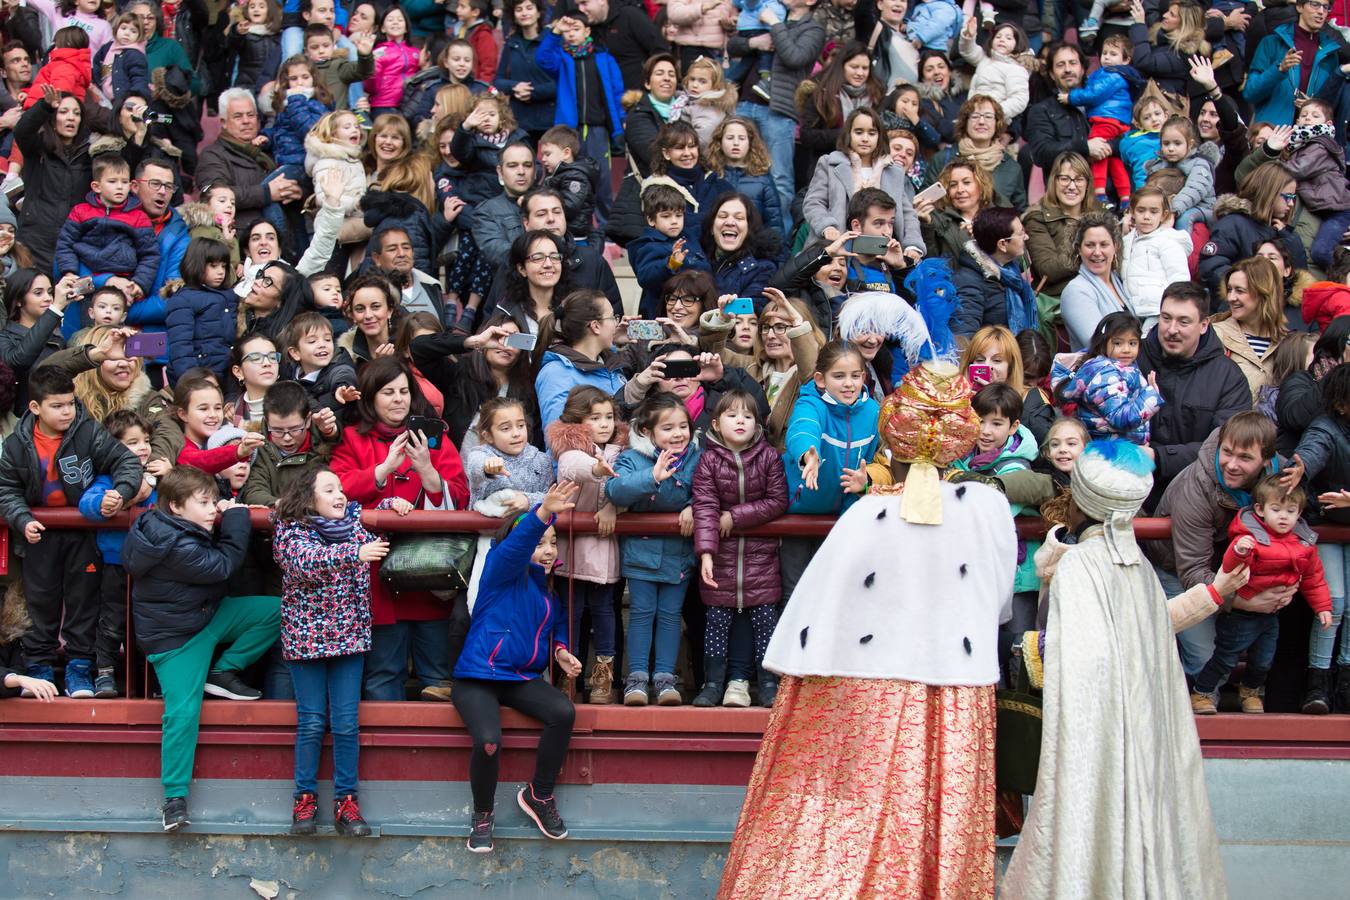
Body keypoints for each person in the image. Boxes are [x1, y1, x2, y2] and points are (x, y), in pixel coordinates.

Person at [720, 390, 1014, 896]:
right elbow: (1001, 600)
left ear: (893, 444)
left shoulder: (863, 514)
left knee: (843, 805)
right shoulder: (987, 507)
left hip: (857, 683)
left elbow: (823, 594)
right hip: (955, 685)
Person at [1001, 441, 1235, 899]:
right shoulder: (1135, 569)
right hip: (1140, 732)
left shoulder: (1084, 568)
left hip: (1097, 736)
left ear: (1083, 498)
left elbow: (1090, 665)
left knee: (1091, 816)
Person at [122, 465, 282, 831]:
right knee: (182, 712)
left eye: (214, 501)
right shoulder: (174, 542)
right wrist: (239, 518)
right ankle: (174, 799)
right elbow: (222, 565)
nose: (213, 508)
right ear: (177, 507)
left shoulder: (166, 523)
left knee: (275, 610)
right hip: (176, 639)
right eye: (205, 502)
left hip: (204, 616)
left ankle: (223, 672)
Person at [273, 468, 409, 836]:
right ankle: (305, 799)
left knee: (347, 723)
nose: (340, 495)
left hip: (349, 638)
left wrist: (390, 503)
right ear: (307, 497)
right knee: (313, 720)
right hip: (306, 640)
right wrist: (355, 553)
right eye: (329, 489)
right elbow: (306, 562)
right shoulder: (290, 531)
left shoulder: (354, 523)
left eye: (341, 489)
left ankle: (346, 802)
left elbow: (376, 516)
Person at [452, 481, 584, 851]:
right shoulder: (500, 569)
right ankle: (482, 815)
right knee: (490, 742)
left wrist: (560, 651)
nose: (547, 549)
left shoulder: (546, 591)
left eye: (553, 542)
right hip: (477, 677)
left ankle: (539, 796)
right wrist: (542, 515)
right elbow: (516, 547)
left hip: (518, 678)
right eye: (541, 542)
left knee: (563, 711)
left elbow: (555, 626)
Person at [329, 357, 469, 701]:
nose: (398, 399)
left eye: (404, 391)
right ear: (371, 398)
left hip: (429, 571)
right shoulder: (352, 439)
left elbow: (462, 496)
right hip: (376, 576)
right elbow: (335, 489)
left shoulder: (434, 440)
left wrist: (426, 469)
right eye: (388, 392)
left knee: (438, 679)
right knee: (382, 674)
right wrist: (382, 470)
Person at [0, 364, 140, 697]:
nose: (67, 411)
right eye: (57, 405)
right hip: (39, 535)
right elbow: (5, 489)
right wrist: (22, 519)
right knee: (39, 603)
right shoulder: (17, 443)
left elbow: (127, 462)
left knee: (83, 602)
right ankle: (39, 669)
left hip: (82, 534)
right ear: (35, 407)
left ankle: (80, 669)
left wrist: (120, 492)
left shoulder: (87, 431)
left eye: (70, 403)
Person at [1190, 474, 1331, 715]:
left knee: (1264, 660)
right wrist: (1239, 550)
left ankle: (1250, 691)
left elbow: (1313, 578)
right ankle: (1202, 692)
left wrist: (1323, 607)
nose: (1283, 516)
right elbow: (1230, 566)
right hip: (1240, 614)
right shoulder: (1250, 537)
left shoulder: (1303, 543)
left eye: (1291, 510)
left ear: (1299, 514)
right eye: (1276, 509)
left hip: (1271, 614)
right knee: (1225, 657)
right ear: (1260, 510)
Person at [692, 389, 789, 709]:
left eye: (747, 416)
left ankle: (768, 683)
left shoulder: (768, 457)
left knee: (765, 621)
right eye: (732, 415)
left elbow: (777, 501)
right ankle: (713, 683)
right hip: (721, 556)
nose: (740, 421)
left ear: (757, 424)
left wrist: (734, 516)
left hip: (761, 556)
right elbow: (704, 506)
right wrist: (706, 552)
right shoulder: (707, 460)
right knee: (717, 622)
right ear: (717, 424)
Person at [607, 392, 702, 707]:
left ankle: (664, 678)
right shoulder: (634, 457)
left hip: (679, 554)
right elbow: (616, 489)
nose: (677, 434)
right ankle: (636, 678)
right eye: (668, 428)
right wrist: (652, 476)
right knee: (642, 613)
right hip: (642, 553)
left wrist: (693, 505)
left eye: (682, 427)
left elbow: (710, 489)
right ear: (647, 432)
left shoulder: (696, 457)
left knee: (671, 615)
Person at [1138, 282, 1253, 508]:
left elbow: (1225, 447)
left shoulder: (1228, 377)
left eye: (1183, 321)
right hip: (1128, 488)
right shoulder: (1131, 358)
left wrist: (1160, 458)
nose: (1172, 329)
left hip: (1198, 497)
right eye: (1166, 318)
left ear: (1203, 325)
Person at [546, 386, 627, 704]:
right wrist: (596, 470)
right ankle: (567, 674)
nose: (605, 423)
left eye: (609, 416)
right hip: (573, 550)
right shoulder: (571, 449)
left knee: (605, 612)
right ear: (578, 422)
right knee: (571, 612)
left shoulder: (622, 450)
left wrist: (613, 506)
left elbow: (631, 484)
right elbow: (572, 467)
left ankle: (603, 675)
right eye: (595, 418)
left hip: (605, 548)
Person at [76, 408, 155, 699]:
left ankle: (149, 681)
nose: (142, 448)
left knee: (147, 624)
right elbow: (88, 502)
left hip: (152, 566)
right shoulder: (107, 479)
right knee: (112, 621)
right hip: (115, 563)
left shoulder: (157, 475)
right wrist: (106, 504)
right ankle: (106, 674)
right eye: (132, 442)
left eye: (145, 440)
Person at [732, 0, 824, 234]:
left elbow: (795, 57)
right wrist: (755, 41)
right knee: (737, 170)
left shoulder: (813, 29)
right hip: (744, 101)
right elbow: (733, 45)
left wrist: (773, 23)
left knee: (779, 178)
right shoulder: (770, 10)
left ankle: (780, 242)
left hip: (779, 110)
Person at [1294, 363, 1350, 712]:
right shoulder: (1325, 428)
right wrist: (1299, 467)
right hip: (1326, 527)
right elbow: (1312, 452)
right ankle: (1319, 684)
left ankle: (1346, 682)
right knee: (1335, 602)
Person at [197, 88, 303, 230]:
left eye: (251, 115)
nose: (246, 121)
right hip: (242, 237)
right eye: (238, 116)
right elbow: (213, 195)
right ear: (223, 122)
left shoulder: (271, 148)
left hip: (285, 239)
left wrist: (299, 192)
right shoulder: (212, 155)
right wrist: (266, 193)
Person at [13, 84, 91, 273]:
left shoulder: (91, 155)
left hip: (72, 243)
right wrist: (45, 106)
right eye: (63, 112)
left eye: (77, 113)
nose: (71, 117)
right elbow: (21, 131)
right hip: (35, 240)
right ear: (52, 118)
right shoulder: (37, 148)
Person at [1058, 311, 1164, 443]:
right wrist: (1151, 397)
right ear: (1104, 343)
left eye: (1132, 343)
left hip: (1122, 445)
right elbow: (1121, 419)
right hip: (1110, 449)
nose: (1126, 349)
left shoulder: (1124, 368)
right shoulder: (1105, 375)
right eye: (1118, 343)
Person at [1244, 0, 1344, 130]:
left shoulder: (1331, 53)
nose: (1321, 11)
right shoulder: (1271, 43)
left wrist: (1313, 104)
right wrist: (1279, 69)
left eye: (1326, 7)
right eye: (1315, 4)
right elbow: (1250, 93)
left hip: (1310, 139)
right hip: (1272, 133)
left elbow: (1332, 105)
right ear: (1299, 7)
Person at [925, 93, 1026, 210]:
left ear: (997, 123)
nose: (981, 121)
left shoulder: (1011, 167)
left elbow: (1020, 212)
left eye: (988, 116)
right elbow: (927, 204)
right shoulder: (942, 159)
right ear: (965, 122)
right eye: (975, 116)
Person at [1211, 255, 1290, 402]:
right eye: (1229, 290)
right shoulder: (1215, 335)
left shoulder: (1288, 342)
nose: (1230, 297)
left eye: (1239, 291)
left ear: (1264, 293)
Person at [952, 206, 1037, 339]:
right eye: (1020, 234)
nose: (1026, 237)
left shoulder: (1010, 270)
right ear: (1002, 244)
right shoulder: (968, 283)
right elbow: (964, 338)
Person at [1023, 152, 1100, 299]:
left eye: (1079, 179)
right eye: (1064, 179)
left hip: (1102, 293)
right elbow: (1048, 270)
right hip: (1060, 300)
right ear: (1054, 181)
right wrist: (1086, 247)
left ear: (1087, 183)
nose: (1072, 186)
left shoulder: (1101, 214)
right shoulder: (1037, 219)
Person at [629, 183, 711, 318]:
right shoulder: (648, 245)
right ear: (651, 220)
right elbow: (646, 277)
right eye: (666, 216)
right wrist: (670, 264)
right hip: (664, 313)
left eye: (678, 215)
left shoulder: (689, 237)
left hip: (697, 308)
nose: (674, 221)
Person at [1059, 210, 1136, 350]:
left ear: (1115, 247)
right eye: (1090, 245)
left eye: (1104, 244)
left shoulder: (1120, 281)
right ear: (1079, 249)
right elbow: (1098, 345)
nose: (1097, 252)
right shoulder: (1076, 291)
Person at [164, 238, 237, 385]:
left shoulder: (230, 296)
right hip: (201, 377)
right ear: (196, 264)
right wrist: (192, 382)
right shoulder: (183, 299)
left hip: (229, 374)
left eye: (223, 266)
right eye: (213, 266)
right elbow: (181, 348)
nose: (220, 272)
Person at [1121, 185, 1190, 327]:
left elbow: (1179, 277)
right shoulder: (1126, 241)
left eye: (1154, 212)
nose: (1147, 217)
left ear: (1163, 215)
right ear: (1132, 211)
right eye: (1141, 210)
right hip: (1133, 309)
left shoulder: (1168, 241)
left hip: (1159, 310)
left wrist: (1172, 308)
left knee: (1148, 344)